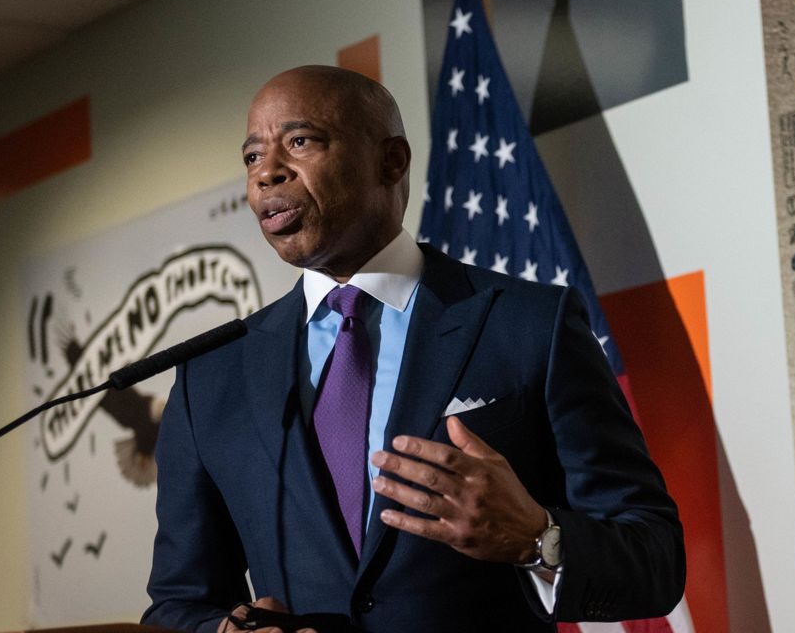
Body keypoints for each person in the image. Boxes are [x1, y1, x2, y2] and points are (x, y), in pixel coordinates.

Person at [141, 66, 685, 632]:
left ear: (392, 161)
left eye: (300, 142)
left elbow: (656, 560)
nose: (267, 174)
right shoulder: (211, 376)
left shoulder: (529, 326)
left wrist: (534, 538)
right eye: (253, 157)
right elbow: (179, 604)